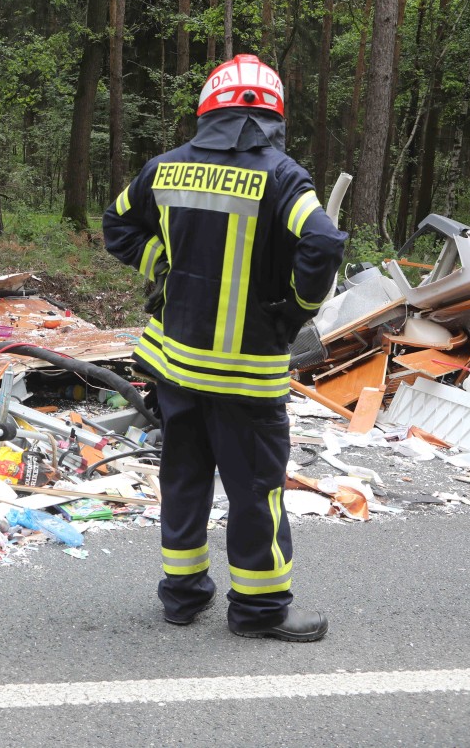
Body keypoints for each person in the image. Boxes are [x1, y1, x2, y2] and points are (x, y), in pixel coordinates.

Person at [103, 55, 346, 641]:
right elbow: (323, 242)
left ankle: (182, 598)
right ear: (272, 115)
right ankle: (259, 612)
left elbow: (117, 226)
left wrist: (162, 270)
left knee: (183, 479)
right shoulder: (282, 177)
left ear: (209, 109)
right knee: (255, 491)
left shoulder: (165, 170)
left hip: (177, 367)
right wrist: (294, 311)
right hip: (245, 376)